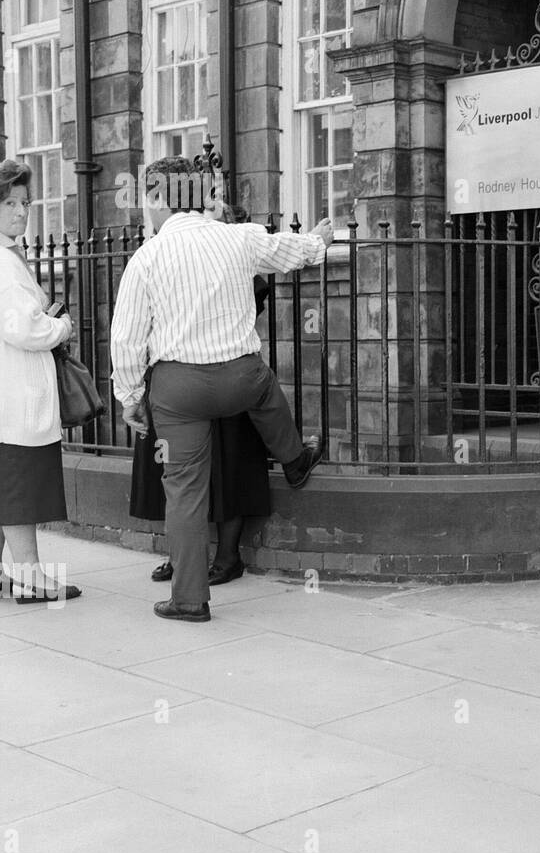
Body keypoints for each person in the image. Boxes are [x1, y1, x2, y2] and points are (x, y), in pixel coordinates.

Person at [111, 156, 331, 622]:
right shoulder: (238, 237)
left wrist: (130, 397)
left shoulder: (147, 257)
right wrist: (318, 241)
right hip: (240, 379)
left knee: (185, 491)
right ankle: (294, 459)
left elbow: (127, 337)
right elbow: (288, 251)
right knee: (265, 388)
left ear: (157, 198)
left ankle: (189, 600)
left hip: (178, 391)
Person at [130, 200, 272, 585]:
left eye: (212, 212)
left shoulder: (237, 257)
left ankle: (228, 557)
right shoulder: (162, 257)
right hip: (177, 380)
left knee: (230, 469)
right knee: (173, 474)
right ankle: (181, 560)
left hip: (224, 377)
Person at [0, 158, 83, 604]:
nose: (20, 211)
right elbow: (22, 329)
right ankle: (30, 578)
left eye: (25, 203)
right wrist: (61, 328)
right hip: (15, 400)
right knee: (20, 491)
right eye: (9, 202)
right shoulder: (4, 263)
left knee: (7, 487)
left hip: (8, 398)